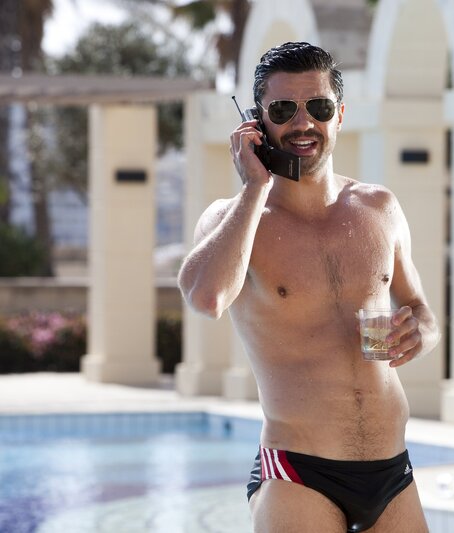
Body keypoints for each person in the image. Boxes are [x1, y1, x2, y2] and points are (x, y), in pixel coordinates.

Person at [178, 42, 439, 533]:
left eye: (318, 107)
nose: (303, 123)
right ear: (256, 121)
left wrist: (421, 333)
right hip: (298, 472)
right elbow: (207, 298)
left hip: (392, 470)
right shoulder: (234, 219)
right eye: (283, 110)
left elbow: (420, 308)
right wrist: (254, 187)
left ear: (339, 114)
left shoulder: (379, 207)